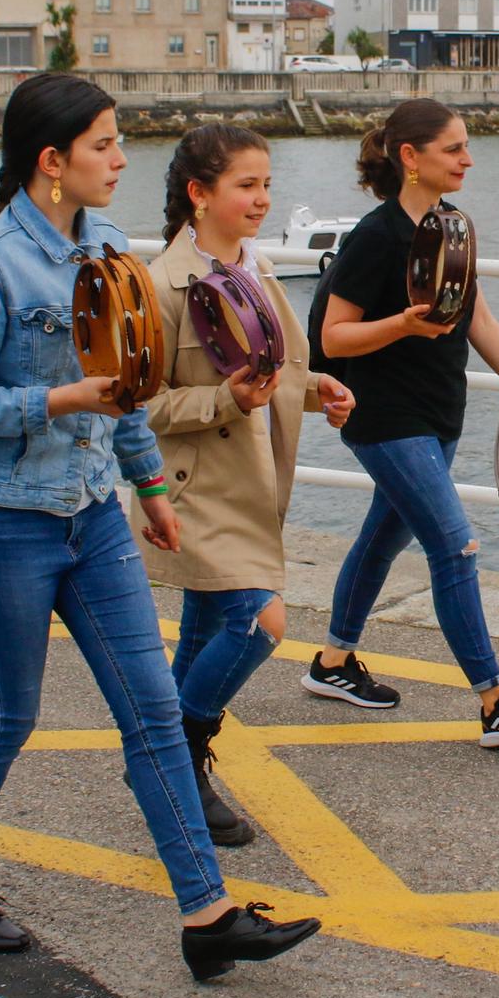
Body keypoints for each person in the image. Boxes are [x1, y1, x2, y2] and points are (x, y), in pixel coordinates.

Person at [0, 74, 320, 980]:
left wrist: (148, 484)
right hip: (1, 522)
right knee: (6, 713)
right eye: (103, 143)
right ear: (52, 163)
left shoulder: (104, 243)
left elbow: (129, 379)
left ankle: (208, 915)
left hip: (95, 515)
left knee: (152, 717)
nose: (121, 157)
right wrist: (61, 397)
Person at [307, 99, 499, 749]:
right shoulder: (376, 235)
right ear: (410, 157)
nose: (467, 159)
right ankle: (495, 699)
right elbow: (333, 338)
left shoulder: (453, 226)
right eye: (454, 148)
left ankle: (333, 662)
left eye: (466, 146)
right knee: (454, 545)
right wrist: (401, 322)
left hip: (438, 412)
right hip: (385, 418)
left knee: (380, 537)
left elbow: (479, 321)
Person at [131, 124, 356, 847]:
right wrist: (227, 400)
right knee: (261, 622)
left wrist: (321, 388)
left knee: (204, 634)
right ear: (200, 195)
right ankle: (178, 757)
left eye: (267, 184)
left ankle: (164, 767)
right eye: (246, 186)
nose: (262, 199)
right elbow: (144, 405)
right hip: (195, 488)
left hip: (251, 485)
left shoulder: (256, 270)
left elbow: (281, 370)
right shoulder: (160, 283)